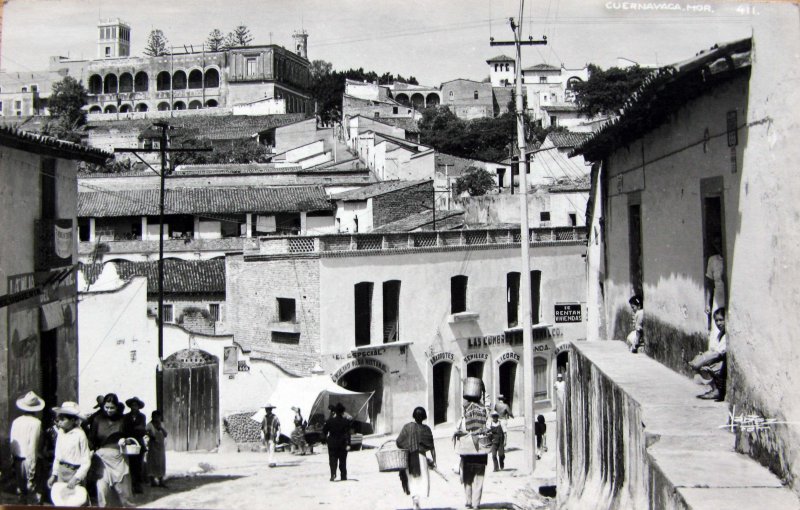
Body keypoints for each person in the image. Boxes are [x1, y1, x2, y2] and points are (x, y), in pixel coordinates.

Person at [87, 393, 135, 507]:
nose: (109, 410)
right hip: (102, 459)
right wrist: (90, 451)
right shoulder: (97, 419)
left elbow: (131, 437)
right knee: (102, 489)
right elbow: (92, 439)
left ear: (117, 407)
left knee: (123, 492)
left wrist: (125, 440)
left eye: (112, 408)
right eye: (106, 407)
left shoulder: (123, 420)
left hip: (118, 459)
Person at [395, 407, 437, 510]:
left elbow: (399, 442)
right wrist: (434, 461)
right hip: (422, 457)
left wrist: (408, 447)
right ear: (424, 417)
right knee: (422, 479)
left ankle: (415, 499)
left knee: (412, 479)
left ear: (414, 415)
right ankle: (417, 499)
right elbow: (432, 447)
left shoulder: (407, 427)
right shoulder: (426, 429)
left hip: (409, 458)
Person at [47, 402, 91, 491]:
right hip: (61, 472)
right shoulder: (60, 433)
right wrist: (54, 474)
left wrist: (76, 478)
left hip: (74, 472)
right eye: (59, 419)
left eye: (63, 420)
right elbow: (58, 456)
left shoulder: (80, 434)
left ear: (72, 420)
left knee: (75, 500)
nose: (60, 422)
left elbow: (86, 461)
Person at [9, 391, 44, 503]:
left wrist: (13, 462)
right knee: (33, 492)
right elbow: (32, 446)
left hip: (18, 459)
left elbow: (12, 444)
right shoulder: (36, 423)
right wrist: (32, 470)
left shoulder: (16, 421)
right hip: (29, 460)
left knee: (22, 492)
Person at [455, 399, 489, 509]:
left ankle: (468, 502)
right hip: (481, 456)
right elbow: (489, 432)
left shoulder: (462, 421)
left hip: (467, 455)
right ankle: (476, 504)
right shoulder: (484, 419)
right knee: (479, 481)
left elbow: (458, 433)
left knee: (467, 480)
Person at [690, 307, 728, 401]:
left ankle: (718, 391)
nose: (718, 323)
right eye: (716, 321)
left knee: (711, 366)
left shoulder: (727, 335)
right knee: (705, 366)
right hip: (718, 360)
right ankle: (714, 389)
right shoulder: (720, 335)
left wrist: (703, 361)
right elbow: (714, 349)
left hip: (723, 363)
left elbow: (718, 353)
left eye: (721, 320)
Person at [122, 397, 147, 493]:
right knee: (130, 465)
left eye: (136, 405)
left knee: (138, 465)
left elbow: (142, 429)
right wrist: (134, 429)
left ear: (138, 407)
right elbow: (125, 429)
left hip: (139, 443)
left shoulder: (142, 416)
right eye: (132, 405)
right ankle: (131, 486)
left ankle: (138, 486)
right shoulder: (126, 417)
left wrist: (134, 429)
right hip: (129, 442)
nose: (134, 407)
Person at [704, 237, 726, 340]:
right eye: (716, 244)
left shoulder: (728, 258)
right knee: (718, 322)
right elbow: (709, 283)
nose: (719, 247)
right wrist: (708, 302)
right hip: (718, 295)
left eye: (720, 244)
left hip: (728, 294)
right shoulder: (712, 260)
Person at [323, 403, 351, 482]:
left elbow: (324, 432)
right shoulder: (346, 422)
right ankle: (343, 476)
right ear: (342, 412)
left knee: (332, 459)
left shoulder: (329, 421)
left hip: (332, 443)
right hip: (342, 443)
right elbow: (348, 434)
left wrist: (324, 440)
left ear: (335, 412)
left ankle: (333, 474)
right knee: (343, 460)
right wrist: (348, 444)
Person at [144, 410, 168, 488]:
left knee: (161, 462)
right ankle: (152, 481)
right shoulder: (149, 425)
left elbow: (165, 434)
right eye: (155, 417)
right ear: (152, 417)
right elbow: (145, 434)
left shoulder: (162, 425)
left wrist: (161, 428)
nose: (157, 418)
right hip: (152, 447)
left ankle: (161, 480)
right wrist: (149, 435)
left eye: (158, 417)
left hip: (160, 447)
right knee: (152, 462)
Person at [260, 403, 280, 468]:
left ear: (271, 409)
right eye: (266, 409)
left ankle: (271, 461)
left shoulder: (275, 417)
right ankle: (270, 461)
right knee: (268, 449)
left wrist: (277, 436)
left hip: (272, 435)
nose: (267, 410)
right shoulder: (264, 417)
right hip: (266, 436)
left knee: (272, 448)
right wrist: (262, 436)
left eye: (268, 409)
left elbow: (278, 427)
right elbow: (262, 428)